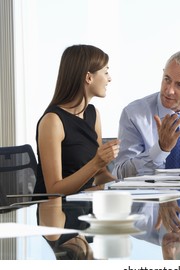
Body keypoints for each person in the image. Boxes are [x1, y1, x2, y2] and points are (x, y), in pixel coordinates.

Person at [33, 44, 119, 248]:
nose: (109, 78)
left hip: (85, 210)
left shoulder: (93, 113)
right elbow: (54, 189)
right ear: (88, 77)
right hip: (58, 219)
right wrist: (97, 162)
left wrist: (123, 186)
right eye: (105, 72)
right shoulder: (52, 121)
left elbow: (100, 174)